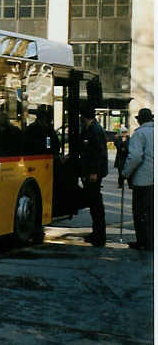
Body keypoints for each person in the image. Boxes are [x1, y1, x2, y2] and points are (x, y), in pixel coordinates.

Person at [121, 108, 153, 250]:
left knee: (140, 212)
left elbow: (135, 157)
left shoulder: (139, 134)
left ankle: (143, 241)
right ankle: (152, 240)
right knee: (152, 213)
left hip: (143, 179)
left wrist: (125, 173)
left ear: (140, 120)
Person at [80, 102, 108, 246]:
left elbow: (99, 154)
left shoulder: (95, 130)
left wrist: (94, 172)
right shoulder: (90, 128)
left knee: (96, 204)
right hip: (91, 172)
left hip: (94, 173)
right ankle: (96, 232)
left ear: (84, 116)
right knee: (94, 203)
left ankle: (99, 234)